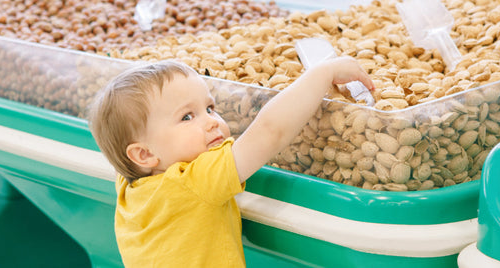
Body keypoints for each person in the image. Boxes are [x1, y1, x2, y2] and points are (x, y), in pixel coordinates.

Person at [87, 57, 374, 267]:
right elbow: (269, 132)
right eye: (187, 116)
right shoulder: (191, 182)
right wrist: (322, 73)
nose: (212, 121)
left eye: (210, 108)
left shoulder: (130, 184)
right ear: (144, 154)